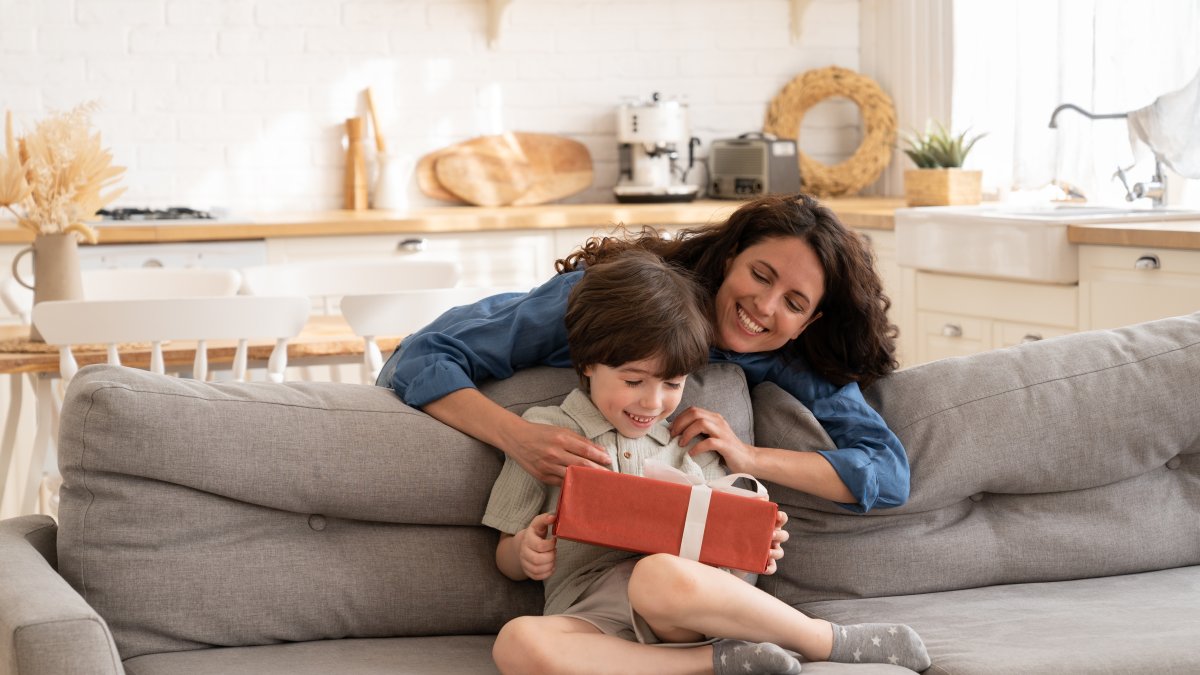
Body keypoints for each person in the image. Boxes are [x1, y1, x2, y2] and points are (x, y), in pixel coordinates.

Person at [483, 250, 930, 674]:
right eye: (633, 380)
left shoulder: (687, 443)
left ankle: (823, 639)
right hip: (590, 619)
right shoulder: (544, 433)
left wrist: (752, 543)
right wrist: (525, 553)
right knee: (516, 642)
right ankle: (715, 664)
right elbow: (505, 554)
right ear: (587, 364)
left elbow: (725, 555)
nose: (652, 402)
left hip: (676, 606)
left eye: (672, 384)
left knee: (654, 574)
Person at [382, 192, 908, 514]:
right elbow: (420, 356)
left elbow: (888, 474)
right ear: (729, 257)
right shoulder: (610, 299)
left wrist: (748, 458)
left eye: (793, 303)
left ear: (810, 322)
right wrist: (520, 438)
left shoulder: (787, 357)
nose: (765, 307)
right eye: (760, 275)